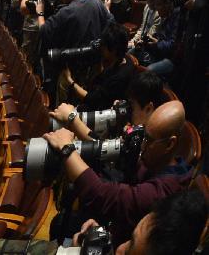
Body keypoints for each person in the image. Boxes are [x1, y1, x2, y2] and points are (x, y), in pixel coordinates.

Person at [42, 100, 193, 244]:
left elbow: (103, 195)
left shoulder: (165, 191)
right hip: (114, 227)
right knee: (60, 223)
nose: (142, 146)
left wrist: (67, 149)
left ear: (169, 144)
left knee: (62, 224)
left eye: (148, 139)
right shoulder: (157, 160)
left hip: (120, 243)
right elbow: (101, 147)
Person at [37, 0, 113, 104]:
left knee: (66, 112)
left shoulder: (66, 12)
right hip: (96, 69)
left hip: (70, 73)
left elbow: (43, 32)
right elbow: (111, 24)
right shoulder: (96, 2)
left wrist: (40, 13)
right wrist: (107, 10)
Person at [63, 22, 134, 112]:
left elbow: (91, 99)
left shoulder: (119, 77)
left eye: (104, 46)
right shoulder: (124, 58)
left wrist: (69, 80)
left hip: (102, 111)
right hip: (98, 99)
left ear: (113, 50)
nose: (101, 48)